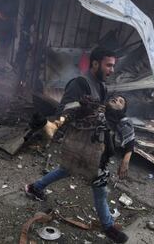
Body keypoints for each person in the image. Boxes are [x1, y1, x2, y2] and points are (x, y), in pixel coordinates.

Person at [25, 47, 129, 243]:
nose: (112, 70)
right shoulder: (80, 83)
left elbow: (102, 112)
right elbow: (63, 110)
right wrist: (81, 106)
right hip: (79, 142)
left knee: (66, 169)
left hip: (93, 145)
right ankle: (108, 226)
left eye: (113, 66)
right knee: (99, 185)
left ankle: (34, 187)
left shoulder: (102, 86)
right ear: (95, 63)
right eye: (109, 65)